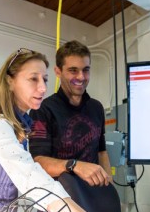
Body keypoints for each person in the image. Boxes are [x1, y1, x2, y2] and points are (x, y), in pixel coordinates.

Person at [0, 48, 150, 212]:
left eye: (45, 80)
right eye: (34, 79)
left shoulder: (18, 124)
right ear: (10, 81)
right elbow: (35, 180)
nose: (42, 87)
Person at [29, 40, 112, 187]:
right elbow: (38, 161)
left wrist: (110, 189)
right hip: (60, 197)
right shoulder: (43, 110)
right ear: (58, 71)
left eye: (86, 70)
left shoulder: (97, 108)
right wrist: (75, 165)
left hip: (93, 194)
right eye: (73, 70)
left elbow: (102, 152)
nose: (81, 77)